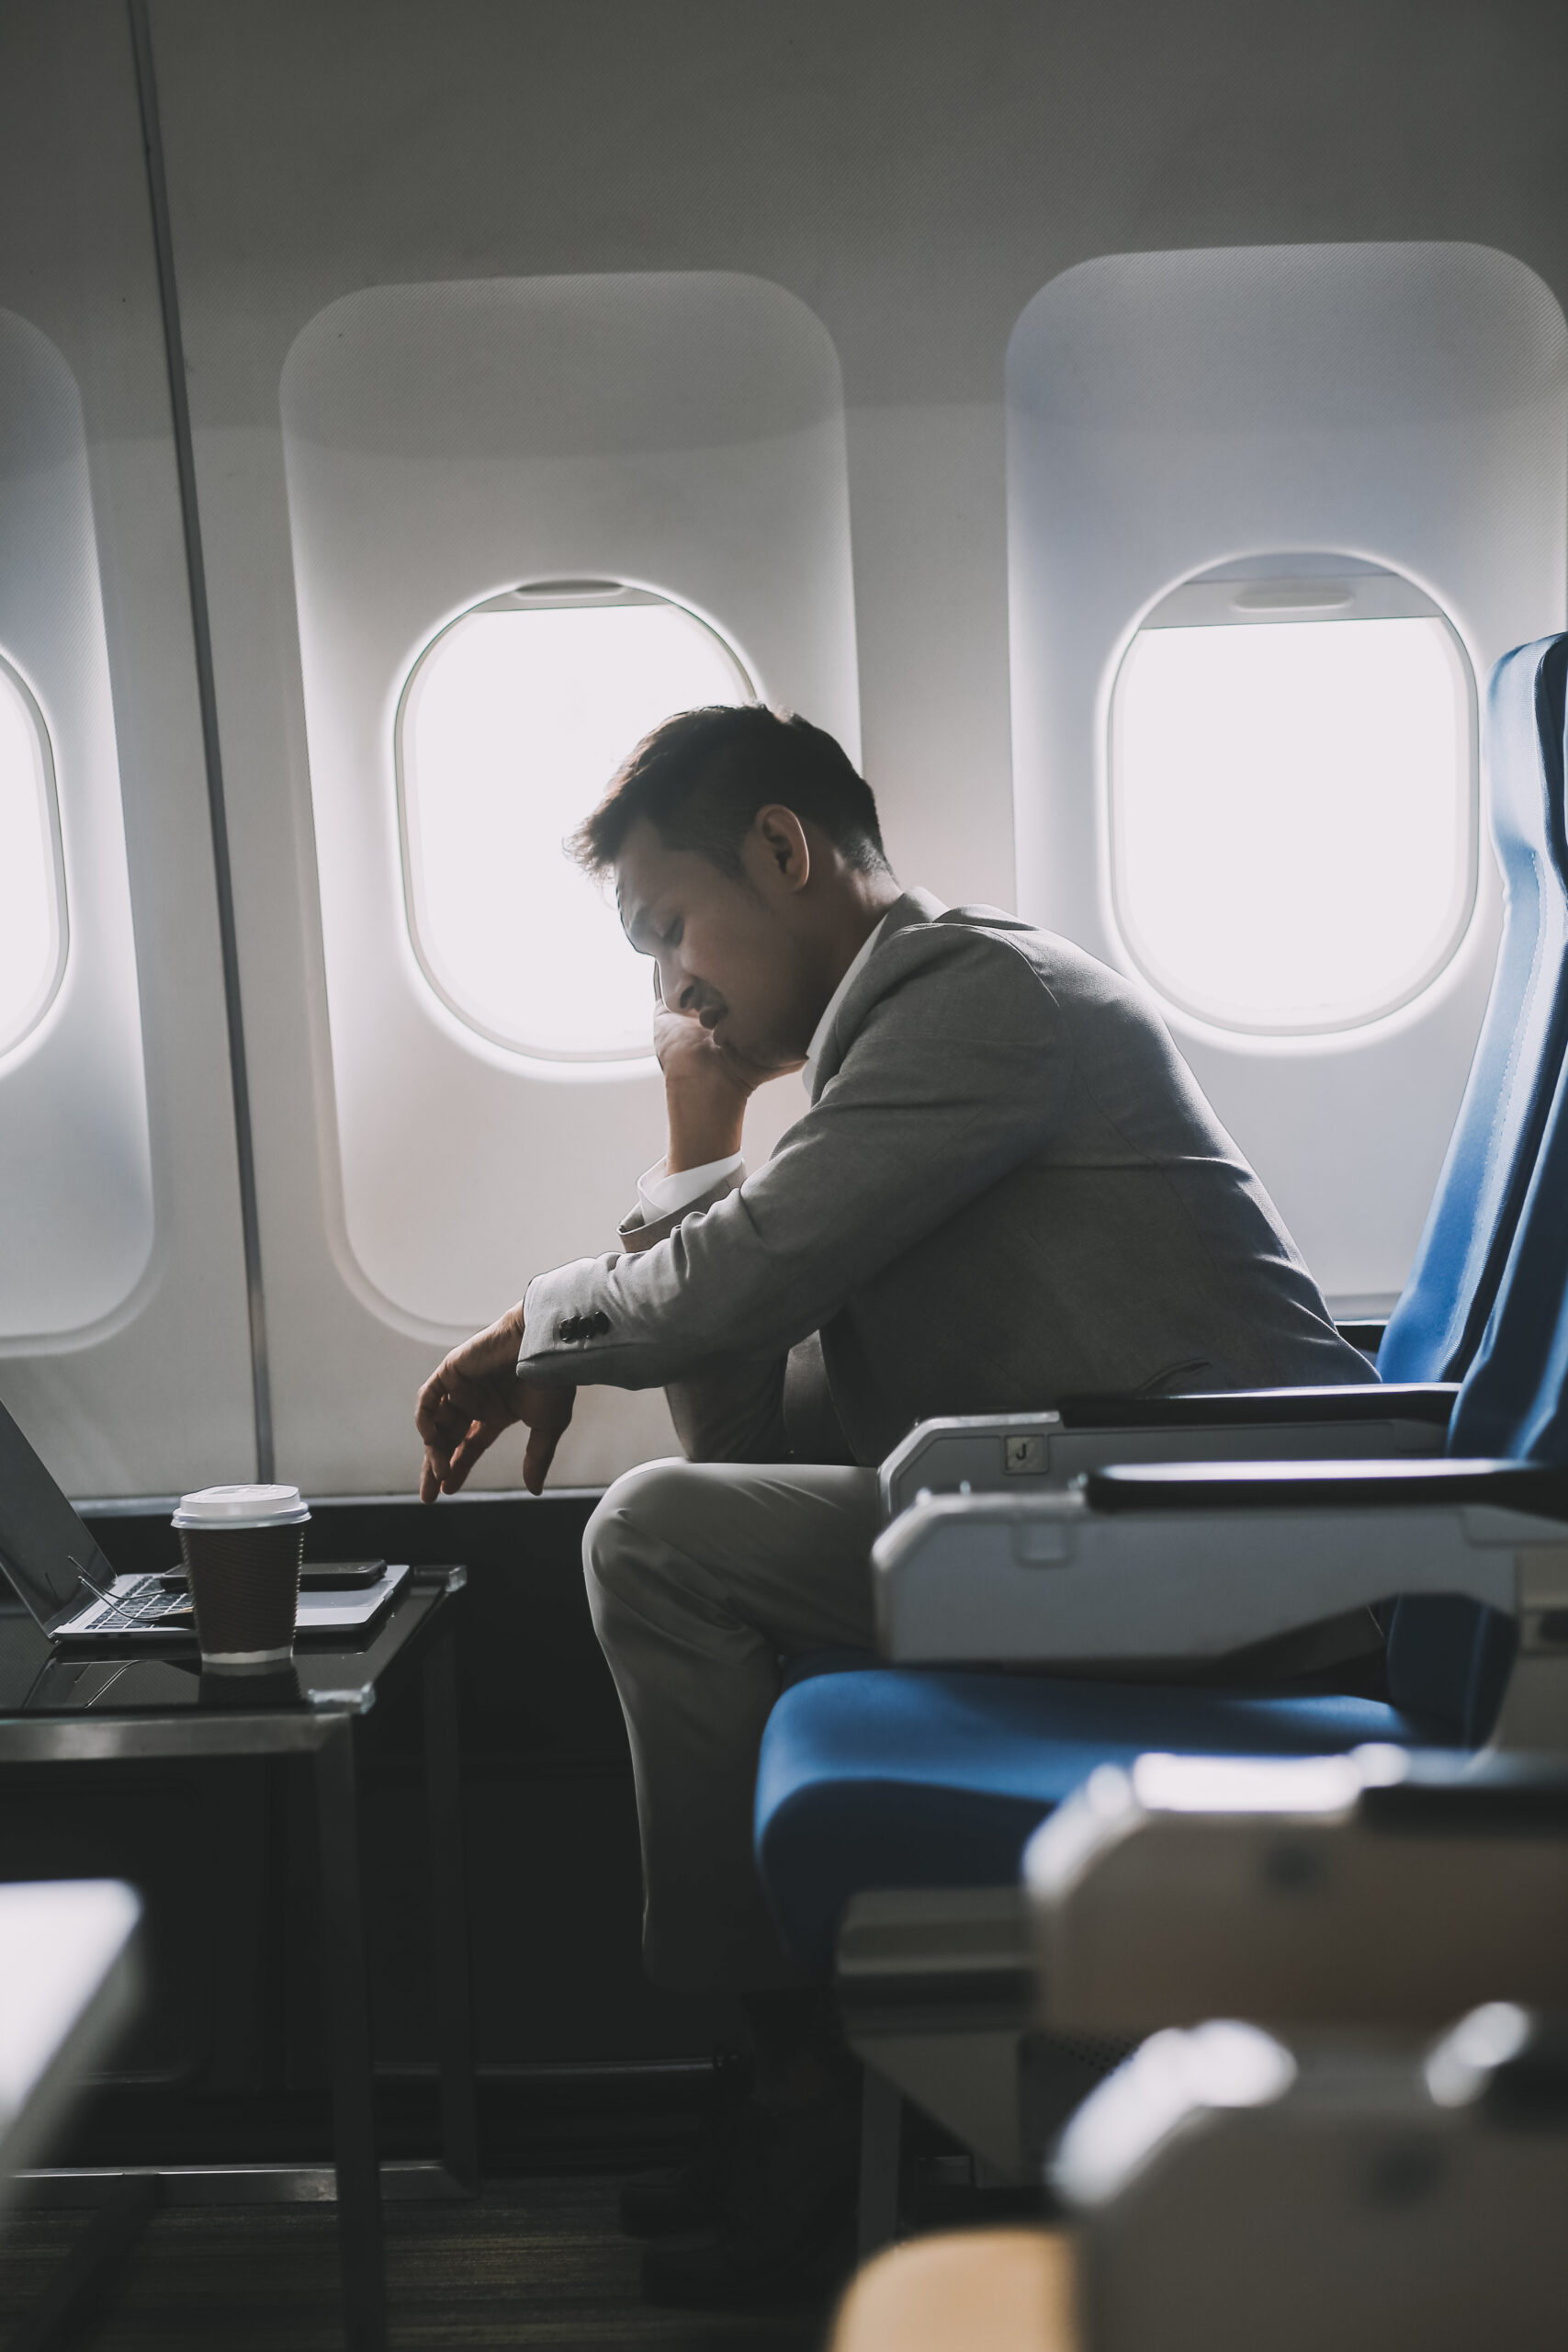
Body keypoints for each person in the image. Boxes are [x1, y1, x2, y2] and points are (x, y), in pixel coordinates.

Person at [414, 703, 1377, 2304]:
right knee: (677, 1533)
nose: (672, 991)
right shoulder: (878, 1077)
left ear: (784, 851)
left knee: (648, 1538)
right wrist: (702, 1124)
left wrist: (544, 1327)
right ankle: (784, 2061)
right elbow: (741, 1445)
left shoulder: (984, 1002)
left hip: (1229, 1553)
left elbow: (747, 1283)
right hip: (1082, 1532)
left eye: (671, 932)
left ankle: (791, 2071)